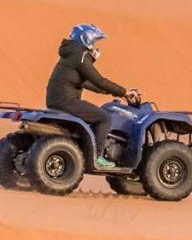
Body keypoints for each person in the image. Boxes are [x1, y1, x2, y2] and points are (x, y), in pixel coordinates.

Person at [45, 24, 137, 169]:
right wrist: (124, 92)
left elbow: (86, 82)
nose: (94, 46)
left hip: (56, 100)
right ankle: (97, 157)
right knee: (104, 118)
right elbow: (99, 80)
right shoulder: (81, 57)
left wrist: (111, 91)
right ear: (86, 40)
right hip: (66, 101)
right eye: (94, 42)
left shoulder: (72, 54)